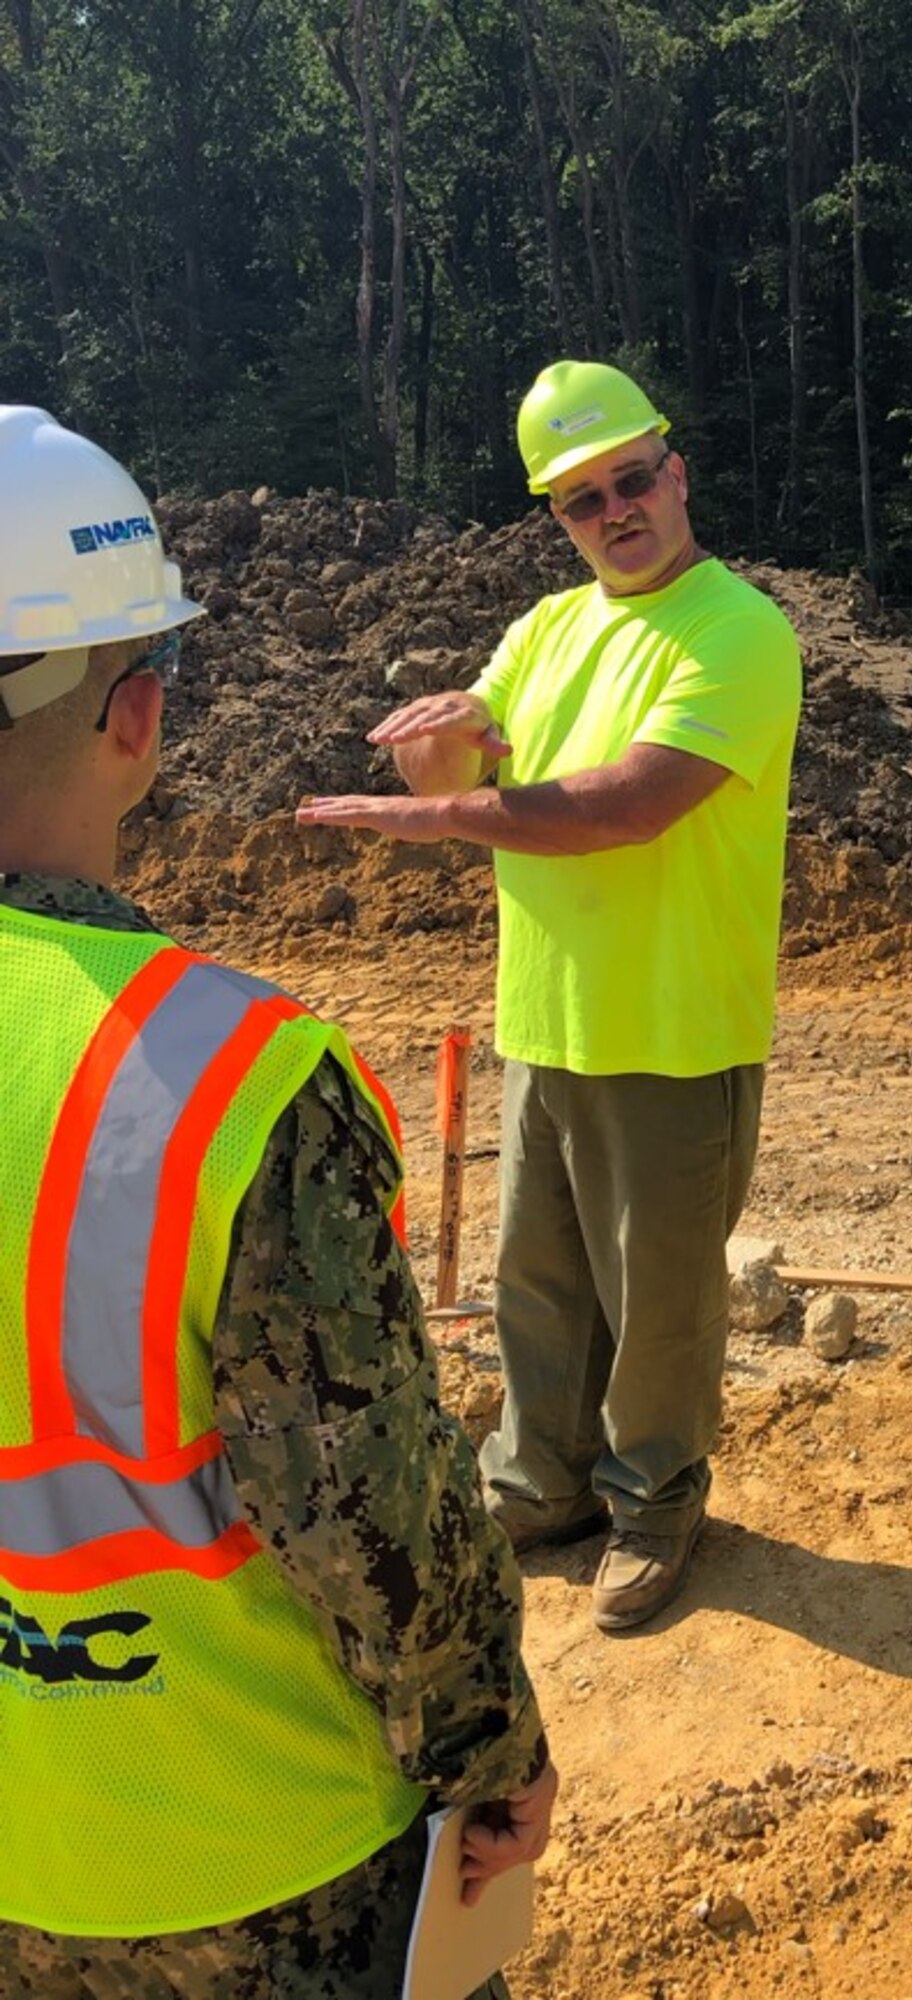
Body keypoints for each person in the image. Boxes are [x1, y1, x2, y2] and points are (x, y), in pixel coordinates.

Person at [0, 405, 553, 1997]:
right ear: (138, 712)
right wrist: (485, 1743)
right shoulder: (227, 1079)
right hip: (253, 1861)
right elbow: (370, 1520)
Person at [299, 361, 802, 1633]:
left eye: (634, 479)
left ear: (675, 472)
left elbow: (628, 805)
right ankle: (540, 1482)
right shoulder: (545, 628)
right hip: (549, 1015)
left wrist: (437, 811)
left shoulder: (738, 630)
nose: (618, 508)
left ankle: (654, 1500)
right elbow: (463, 757)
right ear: (559, 518)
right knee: (539, 1280)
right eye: (584, 498)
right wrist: (439, 742)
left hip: (674, 1028)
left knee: (660, 1304)